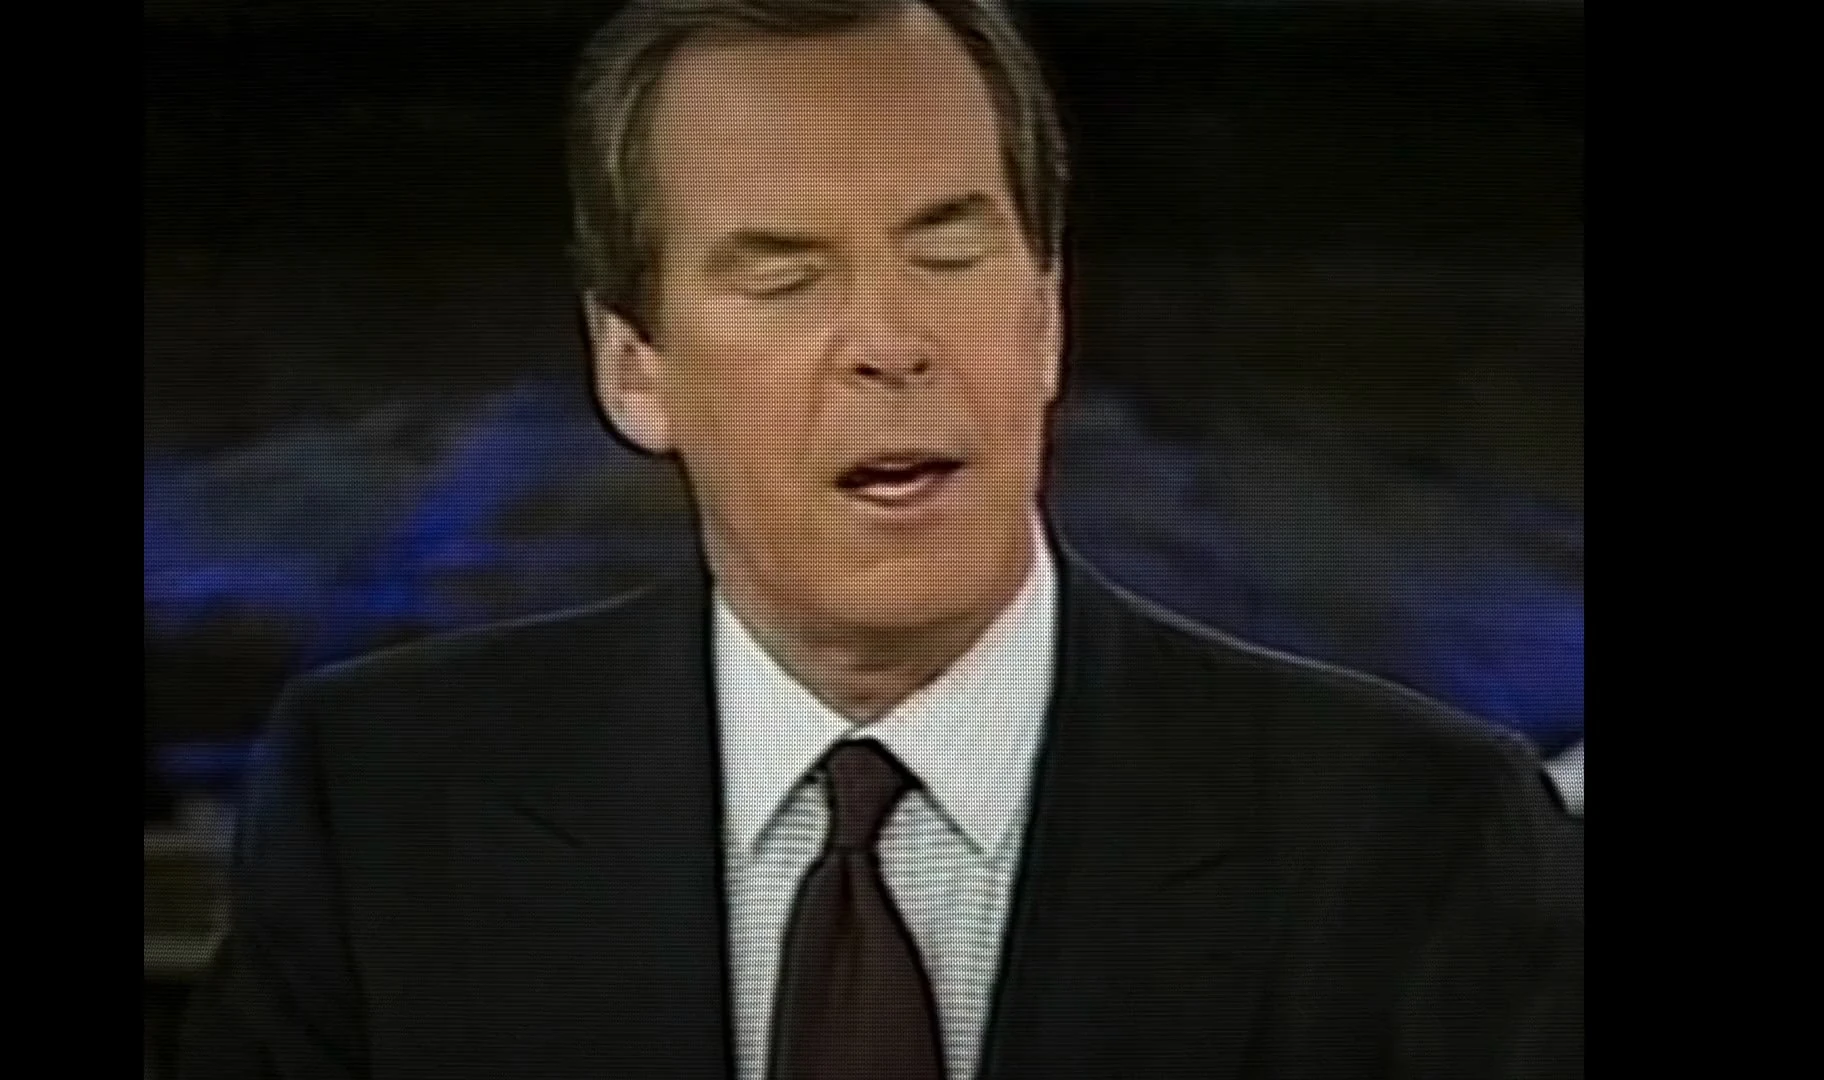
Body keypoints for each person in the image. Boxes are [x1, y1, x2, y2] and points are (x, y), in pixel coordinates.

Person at [177, 2, 1583, 1077]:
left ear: (1046, 314)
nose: (892, 344)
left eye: (951, 252)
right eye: (784, 277)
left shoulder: (1416, 839)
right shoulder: (386, 810)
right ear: (635, 369)